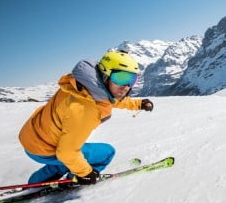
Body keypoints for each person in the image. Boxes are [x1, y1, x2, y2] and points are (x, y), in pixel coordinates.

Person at [18, 49, 154, 185]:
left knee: (67, 158)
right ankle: (74, 180)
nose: (126, 86)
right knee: (106, 152)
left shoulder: (85, 85)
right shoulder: (86, 109)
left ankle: (33, 184)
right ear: (105, 75)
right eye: (121, 78)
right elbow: (67, 153)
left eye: (132, 79)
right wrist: (86, 173)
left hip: (33, 137)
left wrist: (138, 104)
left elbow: (110, 99)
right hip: (46, 149)